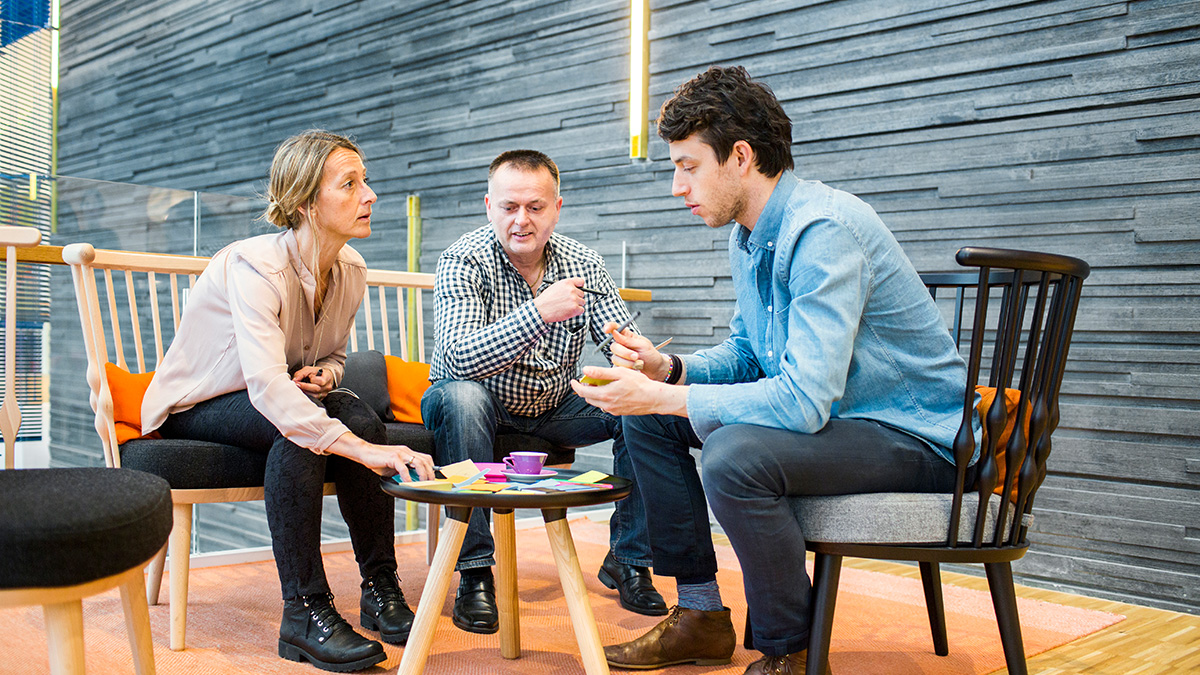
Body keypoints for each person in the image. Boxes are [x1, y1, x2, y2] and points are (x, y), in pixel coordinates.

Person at [572, 66, 972, 675]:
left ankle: (791, 652)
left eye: (687, 165)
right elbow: (748, 356)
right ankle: (702, 616)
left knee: (733, 454)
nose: (677, 186)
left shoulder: (822, 231)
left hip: (914, 436)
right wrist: (669, 368)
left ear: (740, 156)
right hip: (847, 423)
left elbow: (804, 401)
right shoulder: (750, 233)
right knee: (647, 423)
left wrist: (659, 395)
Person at [142, 130, 437, 673]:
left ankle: (379, 587)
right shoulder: (254, 266)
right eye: (350, 184)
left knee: (360, 417)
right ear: (305, 202)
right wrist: (368, 456)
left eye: (364, 181)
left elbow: (335, 356)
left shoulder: (350, 268)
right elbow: (268, 390)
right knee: (299, 432)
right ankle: (304, 610)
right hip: (199, 402)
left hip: (267, 392)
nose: (370, 195)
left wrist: (325, 375)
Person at [420, 149, 666, 635]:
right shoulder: (464, 259)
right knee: (463, 397)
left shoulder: (584, 263)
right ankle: (474, 573)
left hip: (553, 407)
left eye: (535, 207)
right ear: (489, 206)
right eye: (509, 207)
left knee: (642, 404)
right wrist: (539, 312)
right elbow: (457, 358)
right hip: (474, 402)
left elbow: (616, 334)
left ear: (557, 207)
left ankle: (630, 559)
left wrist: (632, 355)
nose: (521, 220)